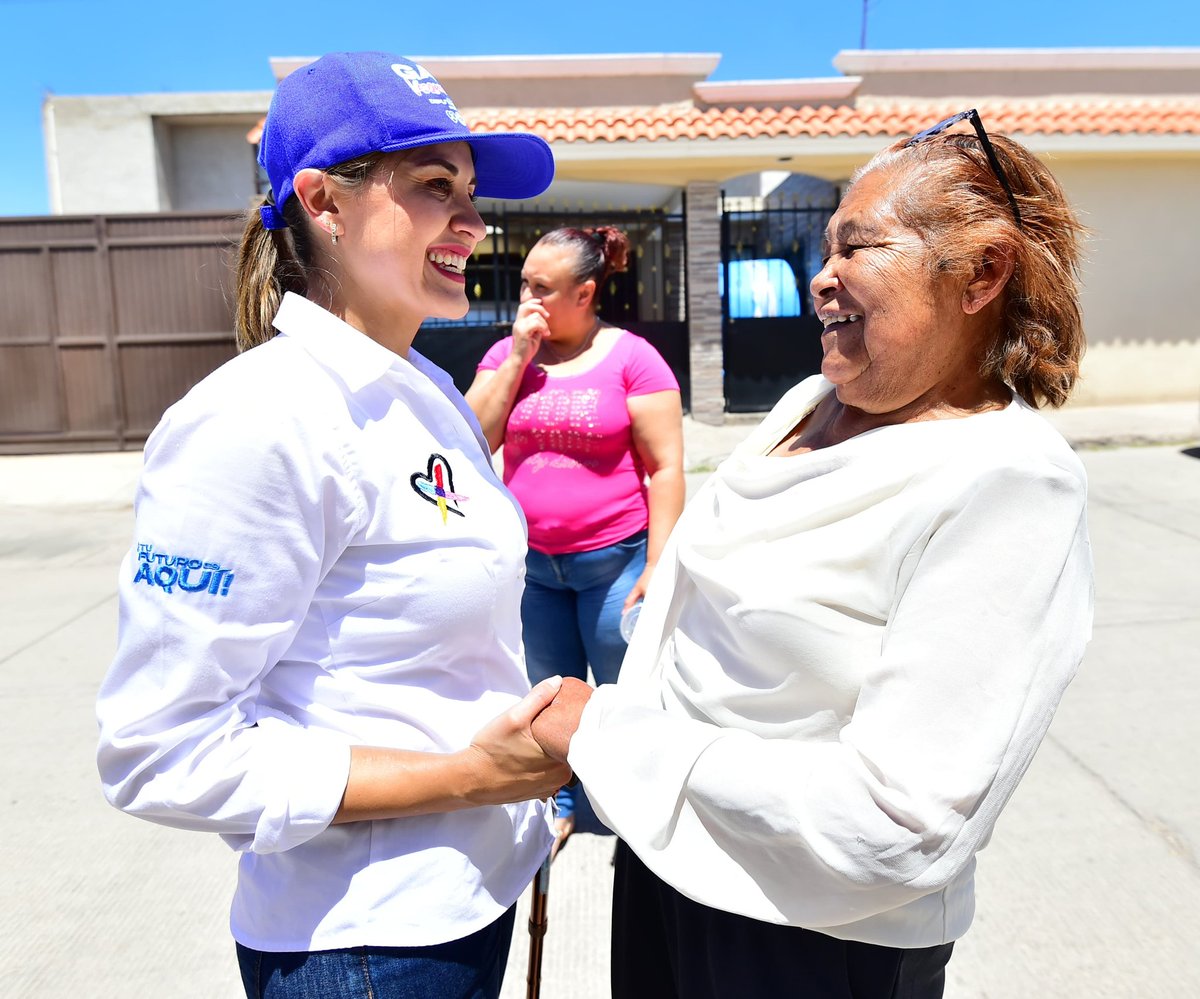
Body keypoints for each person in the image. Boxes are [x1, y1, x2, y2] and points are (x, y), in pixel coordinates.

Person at [530, 110, 1094, 998]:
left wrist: (606, 736)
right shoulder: (807, 400)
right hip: (665, 866)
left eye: (858, 247)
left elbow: (898, 824)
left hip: (806, 941)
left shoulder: (1009, 479)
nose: (820, 279)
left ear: (982, 273)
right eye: (824, 248)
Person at [95, 51, 573, 999]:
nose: (474, 224)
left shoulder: (428, 388)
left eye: (472, 193)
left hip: (468, 901)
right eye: (436, 187)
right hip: (364, 948)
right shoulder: (259, 419)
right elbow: (161, 750)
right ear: (323, 200)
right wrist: (470, 776)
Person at [465, 225, 684, 855]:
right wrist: (515, 358)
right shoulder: (508, 355)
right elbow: (471, 442)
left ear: (584, 293)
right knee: (547, 691)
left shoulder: (633, 359)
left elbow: (665, 467)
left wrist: (659, 562)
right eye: (524, 285)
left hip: (614, 562)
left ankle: (626, 810)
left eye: (542, 288)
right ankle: (560, 804)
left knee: (623, 691)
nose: (526, 299)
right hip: (535, 570)